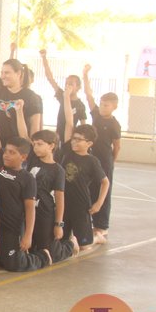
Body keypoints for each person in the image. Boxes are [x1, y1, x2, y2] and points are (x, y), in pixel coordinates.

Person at [0, 105, 54, 271]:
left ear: (23, 157)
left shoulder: (27, 178)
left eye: (12, 153)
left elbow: (30, 209)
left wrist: (28, 236)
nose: (6, 155)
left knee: (14, 264)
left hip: (11, 229)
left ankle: (43, 256)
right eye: (6, 151)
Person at [60, 98, 110, 251]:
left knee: (84, 246)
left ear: (89, 143)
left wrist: (98, 203)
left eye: (79, 140)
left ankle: (97, 237)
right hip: (63, 203)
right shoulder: (68, 151)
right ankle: (71, 238)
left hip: (81, 205)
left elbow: (105, 182)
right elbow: (69, 122)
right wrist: (66, 96)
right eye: (74, 138)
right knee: (60, 239)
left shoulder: (92, 161)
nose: (74, 142)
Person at [0, 32, 42, 143]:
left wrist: (32, 147)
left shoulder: (31, 96)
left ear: (18, 74)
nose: (3, 76)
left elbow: (35, 128)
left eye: (7, 73)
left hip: (19, 147)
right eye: (2, 72)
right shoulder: (0, 86)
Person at [27, 129, 79, 260]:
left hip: (45, 212)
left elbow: (60, 198)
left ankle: (71, 244)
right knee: (31, 248)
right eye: (34, 144)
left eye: (40, 144)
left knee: (51, 253)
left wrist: (58, 224)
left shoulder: (58, 170)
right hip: (28, 210)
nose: (35, 147)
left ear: (51, 146)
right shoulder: (32, 159)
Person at [82, 65, 120, 237]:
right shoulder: (96, 114)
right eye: (102, 104)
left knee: (104, 191)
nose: (103, 107)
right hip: (91, 158)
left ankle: (102, 225)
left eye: (106, 105)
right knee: (89, 188)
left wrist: (111, 162)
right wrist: (85, 75)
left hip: (105, 161)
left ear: (114, 107)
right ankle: (87, 221)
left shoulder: (114, 124)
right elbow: (88, 95)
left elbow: (117, 146)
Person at [39, 49, 86, 146]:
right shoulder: (62, 95)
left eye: (71, 84)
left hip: (70, 139)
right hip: (58, 136)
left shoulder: (80, 105)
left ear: (78, 87)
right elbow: (50, 78)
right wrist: (44, 57)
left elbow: (83, 125)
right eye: (66, 83)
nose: (67, 86)